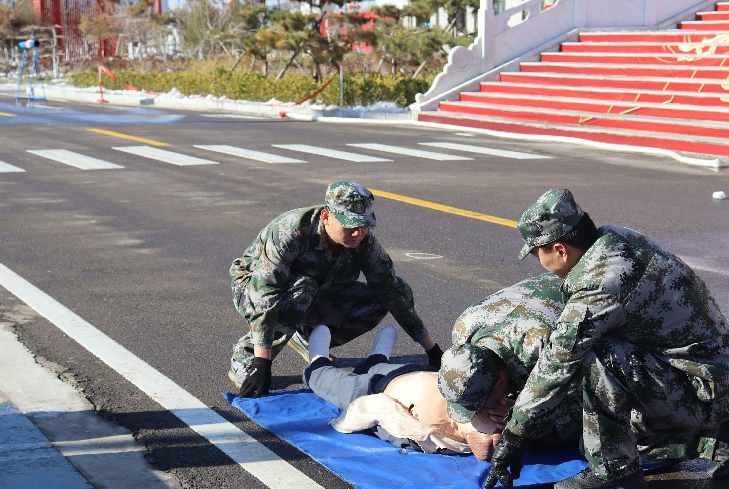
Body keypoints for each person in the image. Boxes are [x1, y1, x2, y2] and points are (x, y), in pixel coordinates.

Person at [484, 188, 729, 489]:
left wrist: (515, 436)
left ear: (559, 249)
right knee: (607, 415)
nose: (537, 260)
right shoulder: (615, 238)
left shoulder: (599, 284)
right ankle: (714, 435)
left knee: (594, 355)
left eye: (537, 252)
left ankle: (615, 472)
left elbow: (557, 362)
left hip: (702, 389)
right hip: (712, 375)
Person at [229, 181, 442, 398]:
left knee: (381, 298)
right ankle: (244, 356)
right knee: (304, 288)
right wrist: (262, 359)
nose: (357, 233)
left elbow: (391, 291)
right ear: (326, 217)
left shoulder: (364, 242)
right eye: (349, 225)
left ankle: (303, 335)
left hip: (315, 292)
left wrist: (431, 349)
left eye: (363, 224)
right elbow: (264, 293)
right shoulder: (291, 231)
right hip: (255, 288)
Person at [304, 325, 505, 459]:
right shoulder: (497, 398)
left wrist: (345, 422)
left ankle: (318, 360)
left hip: (383, 394)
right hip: (417, 374)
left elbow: (367, 410)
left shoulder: (458, 431)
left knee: (328, 380)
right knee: (380, 368)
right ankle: (377, 359)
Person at [437, 273, 583, 446]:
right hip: (542, 293)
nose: (478, 413)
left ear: (499, 381)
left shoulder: (547, 351)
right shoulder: (463, 330)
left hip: (590, 290)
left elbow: (586, 399)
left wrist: (527, 417)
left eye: (480, 406)